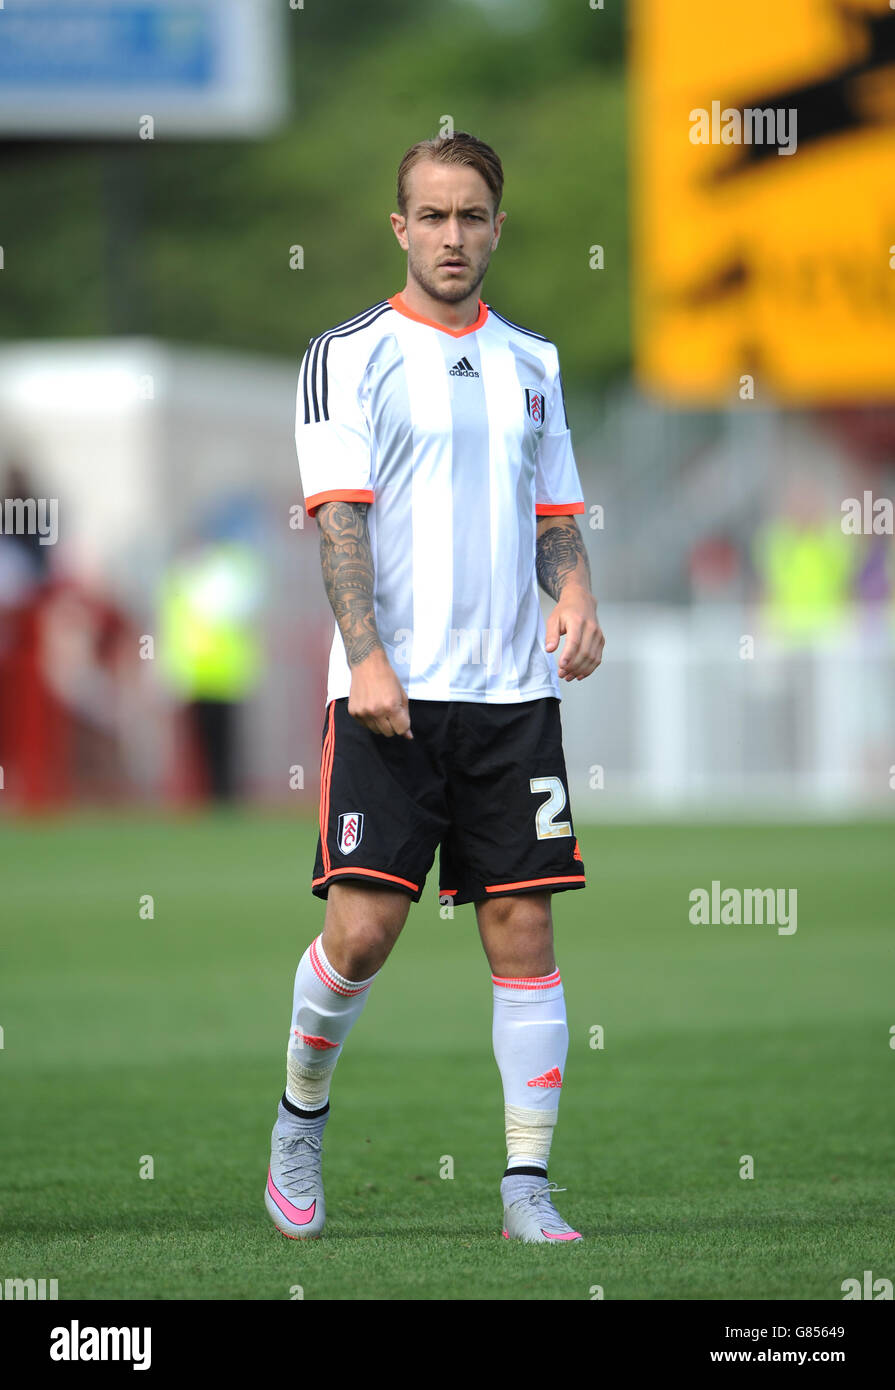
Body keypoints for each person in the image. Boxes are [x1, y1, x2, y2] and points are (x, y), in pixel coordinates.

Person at [265, 132, 605, 1245]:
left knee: (522, 928)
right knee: (362, 933)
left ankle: (524, 1188)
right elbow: (340, 518)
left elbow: (554, 511)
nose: (453, 236)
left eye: (473, 217)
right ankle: (300, 1122)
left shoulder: (534, 362)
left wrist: (577, 596)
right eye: (433, 216)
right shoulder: (345, 353)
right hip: (391, 695)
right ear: (399, 227)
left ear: (497, 227)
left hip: (512, 695)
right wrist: (365, 655)